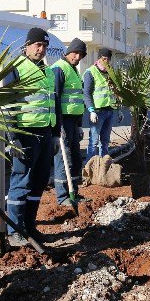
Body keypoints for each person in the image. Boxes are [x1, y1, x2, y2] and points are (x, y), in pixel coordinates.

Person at [6, 27, 57, 246]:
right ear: (27, 45)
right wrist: (12, 136)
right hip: (25, 134)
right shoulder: (16, 68)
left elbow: (52, 104)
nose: (41, 49)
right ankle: (14, 230)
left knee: (38, 182)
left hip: (45, 132)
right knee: (21, 180)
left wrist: (55, 134)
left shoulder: (47, 71)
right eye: (38, 45)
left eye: (45, 46)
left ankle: (29, 227)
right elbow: (7, 103)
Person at [51, 38, 86, 205]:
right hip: (63, 121)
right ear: (68, 52)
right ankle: (62, 196)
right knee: (63, 158)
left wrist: (79, 125)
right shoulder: (59, 68)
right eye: (75, 53)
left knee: (75, 158)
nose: (77, 57)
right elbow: (55, 99)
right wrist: (58, 126)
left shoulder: (74, 70)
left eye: (81, 55)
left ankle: (74, 192)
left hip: (73, 122)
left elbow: (77, 100)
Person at [83, 48, 118, 160]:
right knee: (93, 141)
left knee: (105, 140)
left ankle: (104, 165)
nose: (106, 61)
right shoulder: (90, 72)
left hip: (109, 110)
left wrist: (119, 109)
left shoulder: (110, 72)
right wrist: (91, 111)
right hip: (97, 112)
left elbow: (115, 91)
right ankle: (90, 167)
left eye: (108, 59)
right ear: (99, 58)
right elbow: (86, 93)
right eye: (104, 59)